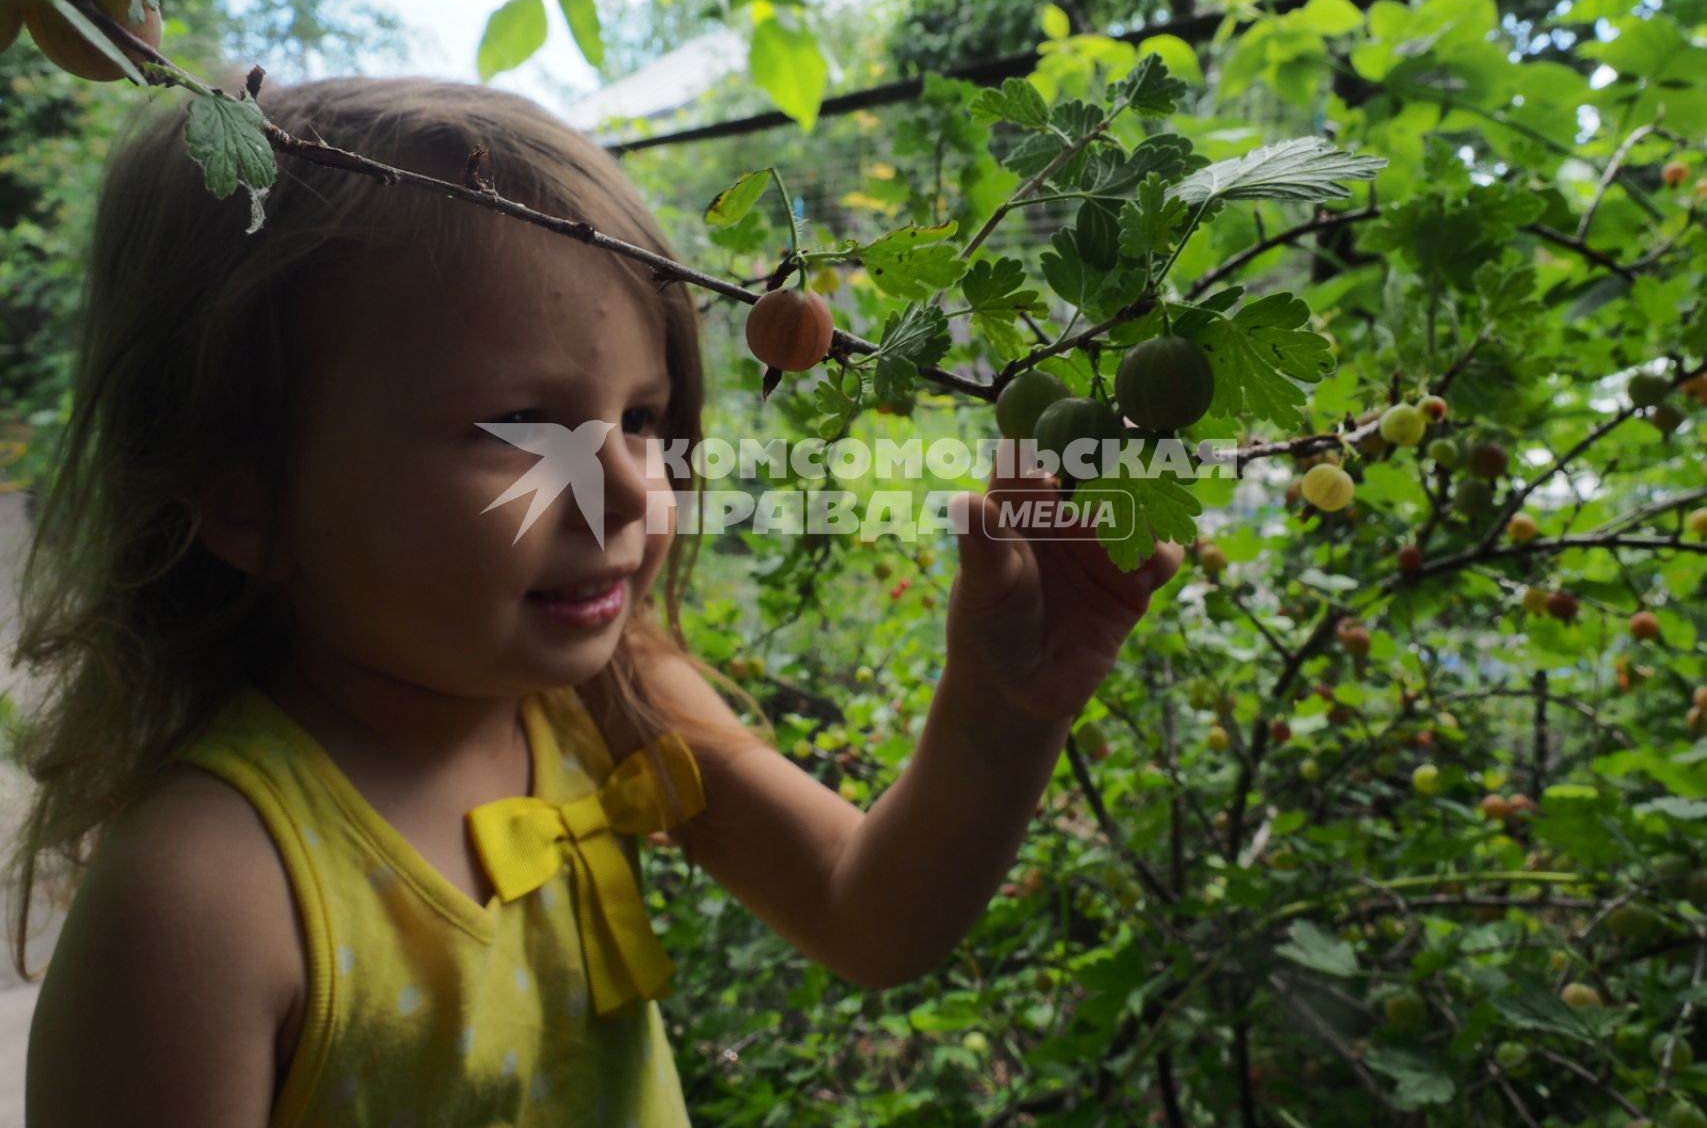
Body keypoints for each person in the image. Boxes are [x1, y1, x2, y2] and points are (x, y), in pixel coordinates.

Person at [7, 74, 1182, 1126]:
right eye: (521, 428)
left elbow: (866, 915)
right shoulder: (205, 897)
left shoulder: (613, 701)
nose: (628, 486)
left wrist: (1004, 711)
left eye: (641, 417)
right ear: (247, 497)